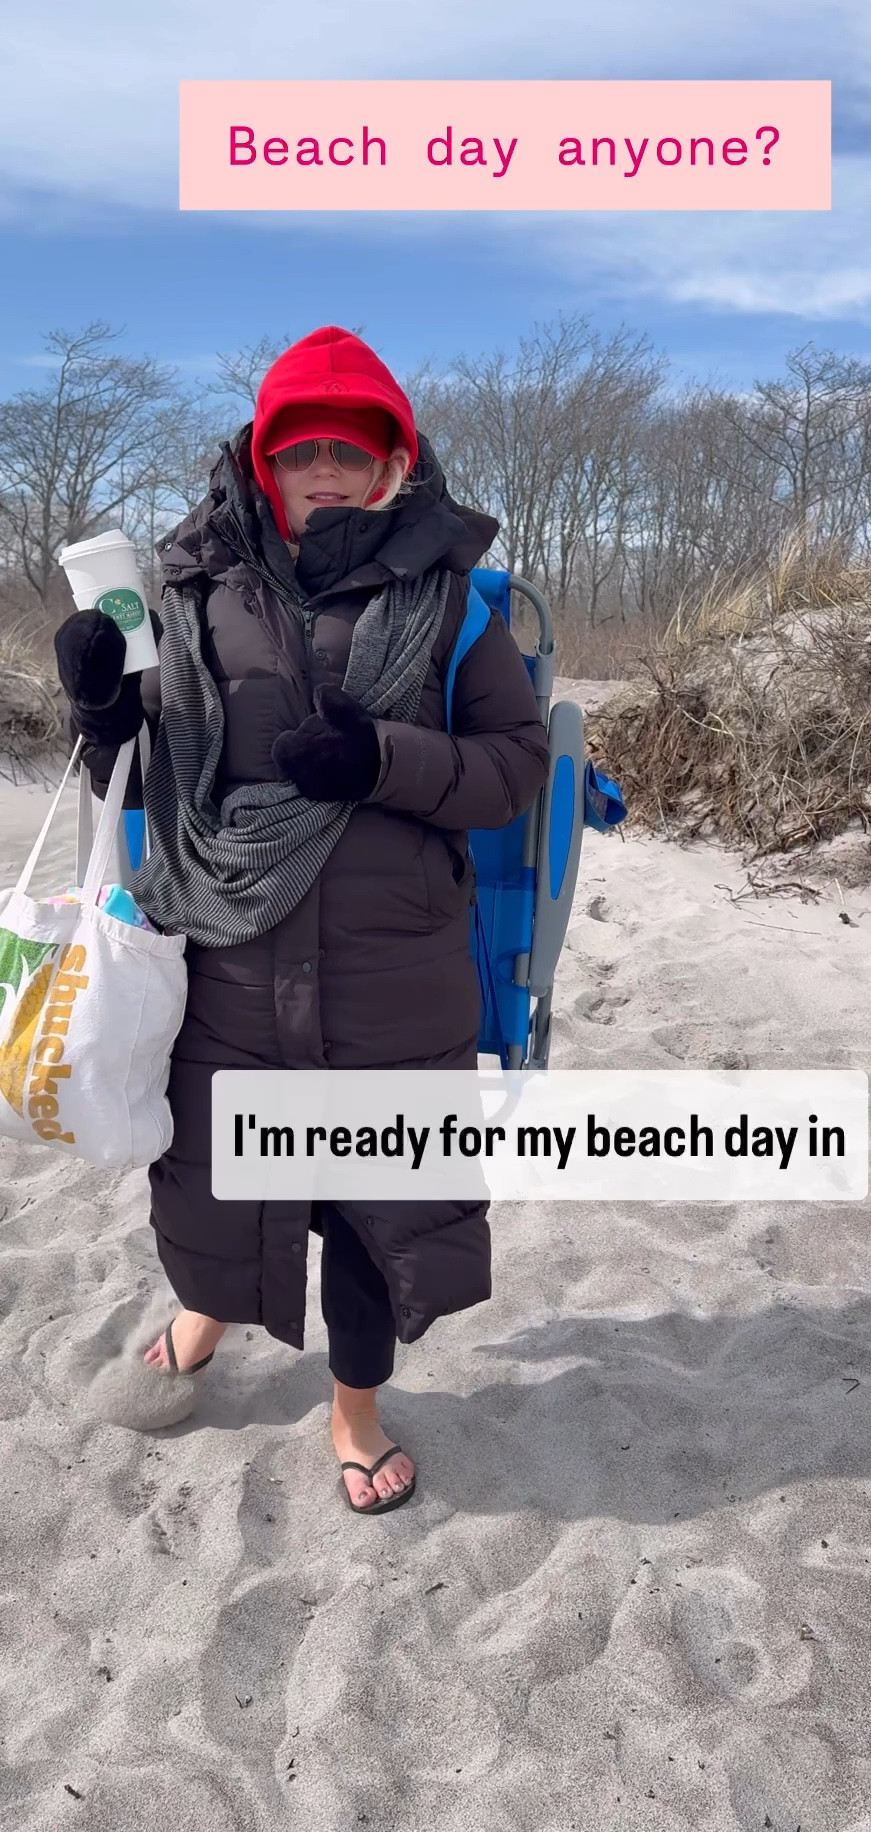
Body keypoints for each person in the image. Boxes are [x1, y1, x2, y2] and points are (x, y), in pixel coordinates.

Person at [55, 325, 549, 1514]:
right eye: (299, 449)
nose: (323, 468)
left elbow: (513, 768)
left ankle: (355, 1408)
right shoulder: (193, 589)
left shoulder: (456, 602)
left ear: (391, 463)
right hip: (228, 955)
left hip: (395, 971)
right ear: (263, 462)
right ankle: (205, 1314)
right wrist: (104, 714)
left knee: (374, 1204)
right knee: (219, 1174)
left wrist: (379, 757)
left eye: (352, 445)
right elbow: (151, 770)